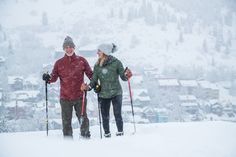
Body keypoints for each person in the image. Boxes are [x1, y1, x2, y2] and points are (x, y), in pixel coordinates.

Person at [42, 36, 93, 138]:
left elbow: (91, 75)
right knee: (66, 122)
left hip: (80, 97)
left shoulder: (81, 61)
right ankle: (67, 142)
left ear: (74, 48)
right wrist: (47, 78)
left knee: (83, 120)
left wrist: (91, 85)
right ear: (63, 49)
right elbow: (53, 78)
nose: (69, 49)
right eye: (66, 47)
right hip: (65, 98)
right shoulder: (59, 63)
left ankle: (86, 138)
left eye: (71, 47)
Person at [81, 43, 132, 138]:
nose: (97, 53)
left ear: (105, 52)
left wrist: (127, 75)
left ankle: (120, 133)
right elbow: (94, 81)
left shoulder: (117, 62)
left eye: (99, 51)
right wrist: (87, 88)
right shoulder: (97, 66)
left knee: (118, 114)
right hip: (103, 94)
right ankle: (107, 135)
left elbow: (123, 77)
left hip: (116, 92)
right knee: (105, 117)